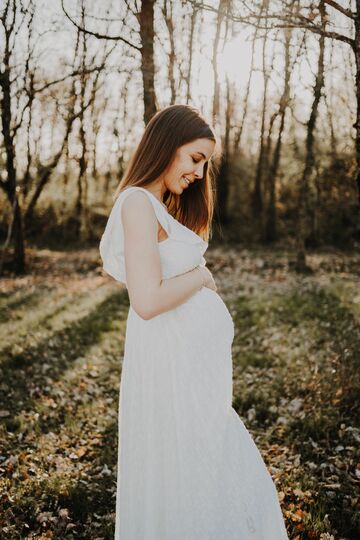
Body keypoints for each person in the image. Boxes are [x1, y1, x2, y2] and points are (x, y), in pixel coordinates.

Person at [99, 104, 289, 540]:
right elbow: (146, 300)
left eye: (206, 163)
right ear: (167, 146)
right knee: (196, 475)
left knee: (208, 472)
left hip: (188, 373)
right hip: (170, 373)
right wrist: (200, 276)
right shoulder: (136, 204)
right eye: (196, 158)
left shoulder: (156, 206)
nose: (200, 173)